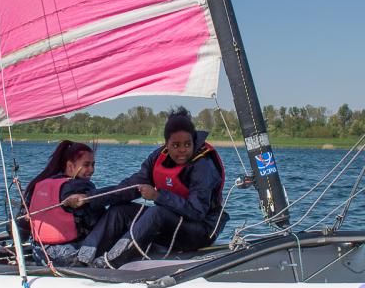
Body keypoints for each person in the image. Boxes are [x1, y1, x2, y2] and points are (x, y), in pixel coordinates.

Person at [76, 108, 225, 268]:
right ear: (166, 143)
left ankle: (110, 262)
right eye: (176, 145)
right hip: (171, 225)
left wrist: (157, 196)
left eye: (187, 144)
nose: (182, 150)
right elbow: (129, 188)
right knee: (119, 211)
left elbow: (197, 211)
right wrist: (88, 198)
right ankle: (82, 258)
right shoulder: (157, 158)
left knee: (157, 212)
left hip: (201, 231)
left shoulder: (203, 166)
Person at [20, 140, 103, 266]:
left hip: (40, 252)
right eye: (86, 165)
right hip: (68, 254)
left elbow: (22, 223)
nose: (92, 169)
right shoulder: (80, 186)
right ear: (70, 165)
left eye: (93, 164)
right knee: (118, 214)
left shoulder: (39, 183)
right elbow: (96, 219)